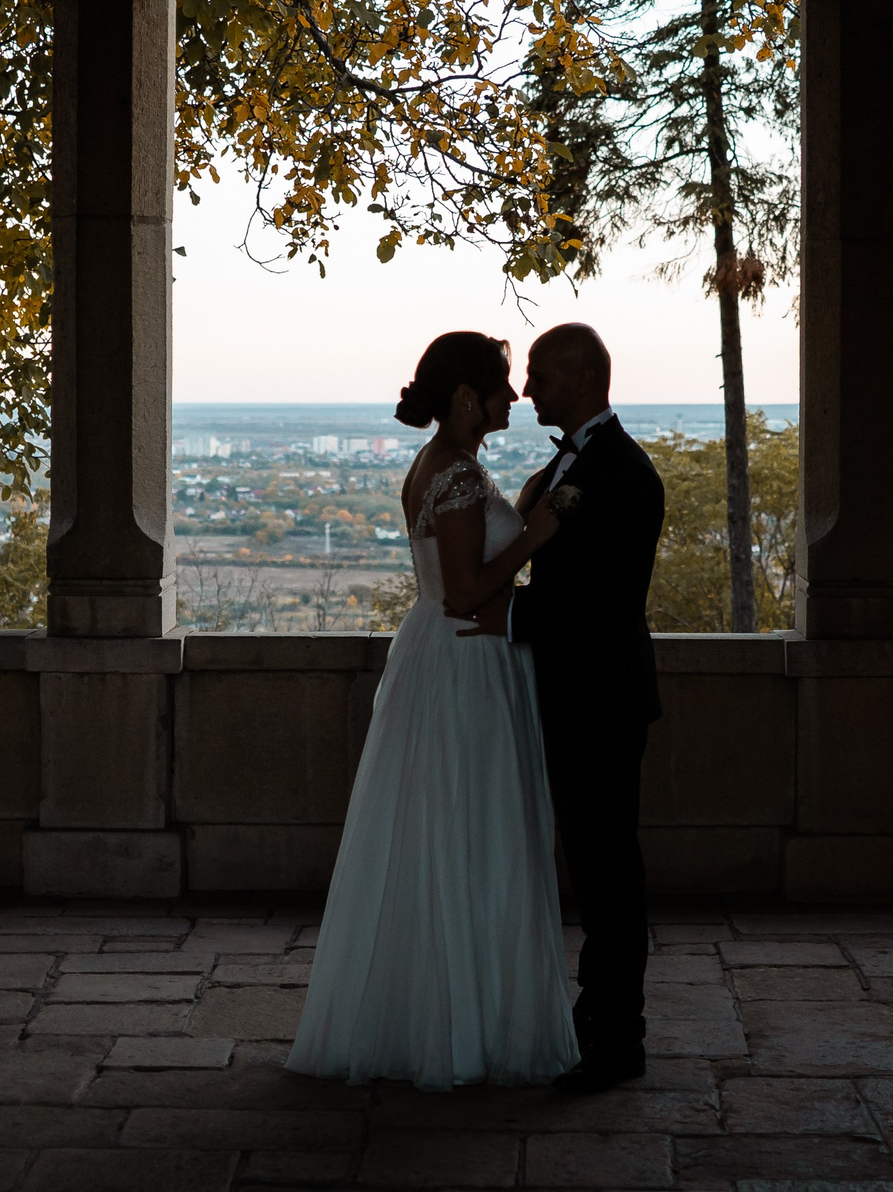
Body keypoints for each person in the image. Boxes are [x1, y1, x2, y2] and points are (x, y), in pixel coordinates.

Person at [285, 332, 578, 1089]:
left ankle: (450, 1011)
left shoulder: (450, 467)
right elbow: (465, 590)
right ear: (464, 398)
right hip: (464, 659)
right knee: (471, 826)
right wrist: (536, 537)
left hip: (448, 656)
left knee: (450, 829)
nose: (512, 396)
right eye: (501, 385)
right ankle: (468, 1022)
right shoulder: (450, 473)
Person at [510, 322, 666, 1094]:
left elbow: (598, 604)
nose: (527, 386)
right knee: (595, 860)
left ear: (580, 377)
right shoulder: (575, 462)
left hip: (601, 694)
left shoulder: (622, 473)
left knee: (609, 868)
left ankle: (619, 1035)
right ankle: (597, 1006)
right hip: (579, 693)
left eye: (538, 372)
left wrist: (501, 617)